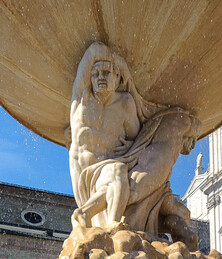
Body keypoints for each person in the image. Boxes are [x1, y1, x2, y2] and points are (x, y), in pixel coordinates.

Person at [67, 42, 199, 239]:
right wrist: (118, 62)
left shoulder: (126, 104)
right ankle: (109, 227)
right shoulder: (81, 98)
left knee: (120, 172)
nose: (100, 78)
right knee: (118, 171)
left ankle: (107, 224)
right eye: (96, 74)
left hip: (113, 167)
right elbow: (94, 50)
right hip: (86, 172)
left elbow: (138, 140)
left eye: (106, 73)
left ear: (117, 78)